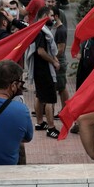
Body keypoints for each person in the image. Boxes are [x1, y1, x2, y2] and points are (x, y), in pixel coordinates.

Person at [26, 7, 61, 139]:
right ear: (45, 15)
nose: (53, 18)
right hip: (44, 70)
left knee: (40, 96)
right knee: (49, 99)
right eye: (51, 16)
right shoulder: (41, 32)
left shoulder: (37, 29)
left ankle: (40, 123)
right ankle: (51, 128)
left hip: (38, 70)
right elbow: (40, 51)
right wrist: (54, 62)